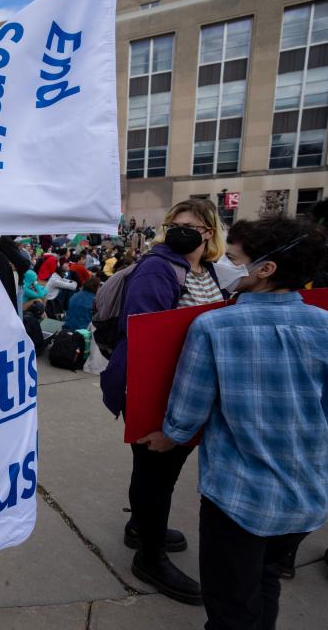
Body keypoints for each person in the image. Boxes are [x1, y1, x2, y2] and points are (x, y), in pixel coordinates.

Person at [137, 217, 328, 630]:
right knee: (265, 580)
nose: (223, 263)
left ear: (266, 269)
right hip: (307, 494)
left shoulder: (214, 326)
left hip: (238, 498)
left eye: (234, 258)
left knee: (229, 607)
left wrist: (169, 437)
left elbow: (188, 409)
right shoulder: (326, 326)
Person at [100, 198, 228, 606]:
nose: (179, 231)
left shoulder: (205, 270)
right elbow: (145, 338)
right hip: (159, 390)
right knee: (156, 473)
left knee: (162, 472)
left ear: (209, 233)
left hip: (189, 388)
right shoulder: (159, 267)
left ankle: (141, 527)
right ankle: (149, 557)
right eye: (174, 223)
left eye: (190, 226)